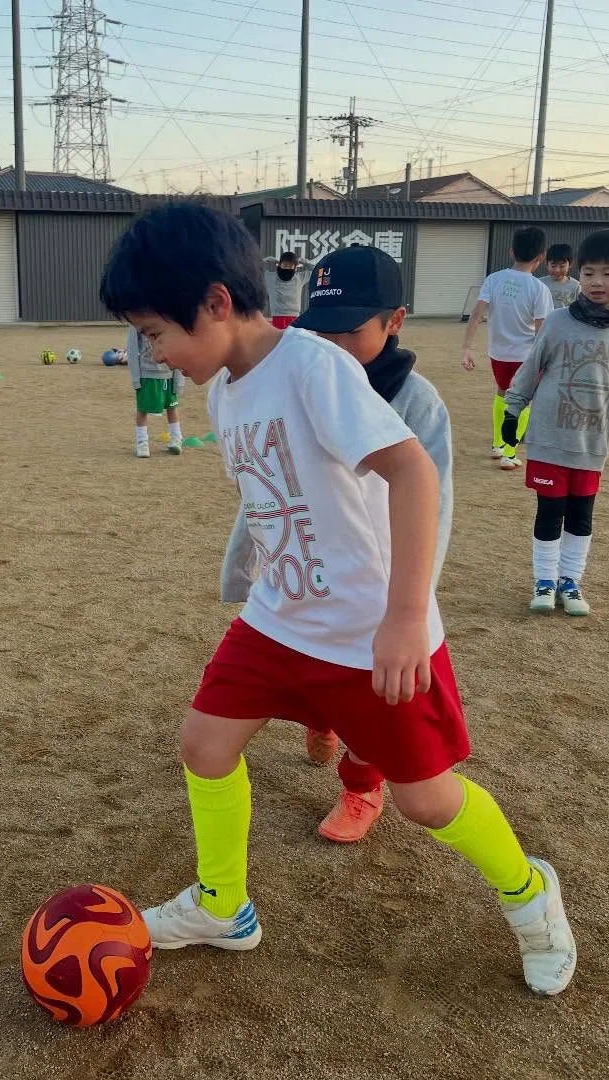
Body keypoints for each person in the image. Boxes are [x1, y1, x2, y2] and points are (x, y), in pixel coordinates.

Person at [100, 202, 576, 997]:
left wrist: (401, 619)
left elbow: (413, 473)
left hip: (368, 635)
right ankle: (224, 905)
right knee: (204, 745)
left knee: (427, 801)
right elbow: (271, 505)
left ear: (216, 303)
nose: (152, 352)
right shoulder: (224, 391)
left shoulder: (314, 367)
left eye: (155, 332)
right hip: (279, 620)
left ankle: (530, 892)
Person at [220, 244, 454, 844]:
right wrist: (242, 564)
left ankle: (361, 786)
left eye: (351, 330)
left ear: (395, 321)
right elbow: (271, 489)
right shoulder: (295, 374)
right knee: (308, 670)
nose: (334, 344)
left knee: (372, 700)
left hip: (373, 595)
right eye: (320, 328)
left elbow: (431, 493)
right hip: (307, 584)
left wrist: (412, 604)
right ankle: (320, 719)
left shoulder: (414, 398)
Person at [501, 228, 609, 617]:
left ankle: (571, 581)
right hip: (550, 438)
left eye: (607, 273)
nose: (596, 282)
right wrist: (512, 410)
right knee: (549, 511)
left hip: (591, 443)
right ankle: (544, 581)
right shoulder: (556, 322)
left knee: (581, 514)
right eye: (588, 273)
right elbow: (530, 370)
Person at [461, 226, 552, 470]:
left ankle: (498, 444)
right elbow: (543, 329)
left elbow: (476, 314)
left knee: (502, 393)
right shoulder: (539, 289)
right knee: (522, 402)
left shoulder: (494, 279)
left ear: (512, 252)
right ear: (541, 257)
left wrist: (467, 349)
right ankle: (509, 453)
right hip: (527, 356)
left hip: (498, 353)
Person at [126, 324, 185, 458]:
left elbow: (179, 347)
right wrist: (136, 378)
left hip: (169, 373)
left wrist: (179, 380)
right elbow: (132, 349)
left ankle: (176, 438)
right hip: (146, 374)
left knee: (172, 407)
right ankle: (142, 442)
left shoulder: (170, 318)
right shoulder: (136, 321)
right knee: (142, 409)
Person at [262, 251, 314, 329]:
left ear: (295, 268)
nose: (287, 268)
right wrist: (265, 261)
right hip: (277, 318)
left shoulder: (299, 278)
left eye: (290, 266)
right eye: (285, 265)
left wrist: (305, 262)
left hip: (295, 318)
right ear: (279, 265)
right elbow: (254, 269)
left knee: (293, 340)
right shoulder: (271, 277)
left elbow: (317, 270)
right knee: (279, 340)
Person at [539, 243, 580, 309]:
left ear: (570, 264)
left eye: (562, 266)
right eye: (553, 266)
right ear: (546, 264)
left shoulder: (575, 286)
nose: (557, 270)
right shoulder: (540, 283)